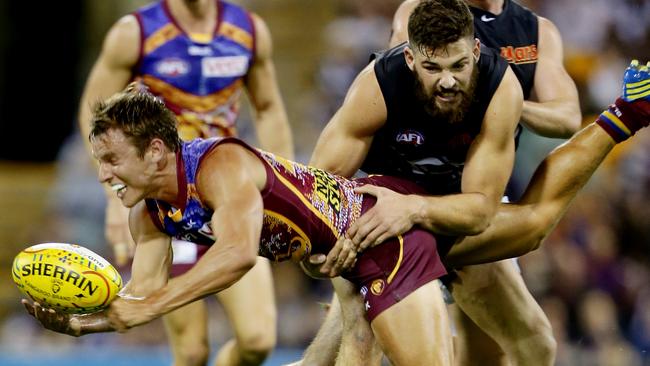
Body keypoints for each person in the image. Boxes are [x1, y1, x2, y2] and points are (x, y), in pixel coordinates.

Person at [23, 61, 650, 365]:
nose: (103, 175)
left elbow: (238, 253)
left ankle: (628, 113)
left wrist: (140, 307)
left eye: (111, 160)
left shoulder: (220, 166)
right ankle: (630, 115)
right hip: (350, 259)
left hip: (386, 239)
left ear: (156, 150)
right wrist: (88, 321)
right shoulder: (148, 211)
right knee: (533, 227)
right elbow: (144, 296)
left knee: (534, 227)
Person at [76, 0, 293, 365]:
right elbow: (92, 112)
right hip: (168, 204)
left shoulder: (250, 31)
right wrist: (113, 198)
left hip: (226, 194)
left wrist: (285, 185)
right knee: (191, 351)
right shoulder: (134, 33)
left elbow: (269, 107)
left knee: (257, 341)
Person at [382, 0, 582, 364]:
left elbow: (568, 116)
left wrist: (501, 96)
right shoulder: (425, 12)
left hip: (476, 203)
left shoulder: (536, 31)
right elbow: (400, 81)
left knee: (531, 348)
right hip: (405, 202)